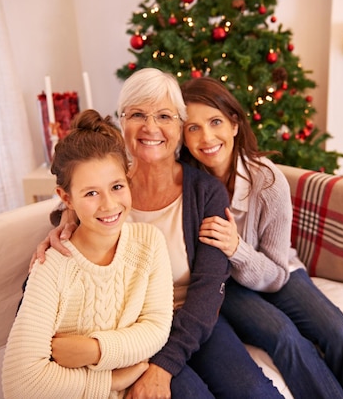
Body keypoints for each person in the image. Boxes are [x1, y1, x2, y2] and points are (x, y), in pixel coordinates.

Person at [32, 69, 283, 399]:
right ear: (123, 122)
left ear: (179, 125)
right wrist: (65, 220)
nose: (151, 127)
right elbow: (76, 196)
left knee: (255, 391)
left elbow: (209, 288)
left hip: (191, 317)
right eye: (137, 114)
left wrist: (165, 364)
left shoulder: (205, 192)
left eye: (164, 116)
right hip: (130, 326)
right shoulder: (109, 192)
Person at [179, 76, 343, 399]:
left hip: (275, 270)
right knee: (284, 336)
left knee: (339, 332)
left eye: (215, 122)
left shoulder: (267, 181)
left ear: (235, 125)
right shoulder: (184, 182)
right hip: (227, 285)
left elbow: (278, 274)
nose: (206, 137)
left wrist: (237, 248)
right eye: (193, 127)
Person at [2, 110, 174, 398]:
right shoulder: (52, 267)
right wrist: (109, 382)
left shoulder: (149, 243)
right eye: (91, 194)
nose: (109, 205)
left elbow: (156, 329)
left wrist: (94, 350)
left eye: (117, 187)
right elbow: (20, 383)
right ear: (66, 198)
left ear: (128, 181)